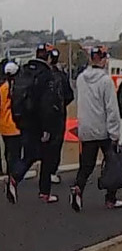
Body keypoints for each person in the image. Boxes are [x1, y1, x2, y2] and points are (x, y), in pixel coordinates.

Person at [69, 47, 122, 211]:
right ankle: (110, 199)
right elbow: (112, 109)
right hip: (103, 129)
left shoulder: (80, 79)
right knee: (111, 164)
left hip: (85, 128)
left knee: (86, 165)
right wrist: (115, 132)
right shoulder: (105, 81)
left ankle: (78, 188)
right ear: (102, 60)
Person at [6, 44, 62, 204]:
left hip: (23, 120)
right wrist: (47, 127)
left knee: (29, 155)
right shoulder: (46, 75)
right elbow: (47, 103)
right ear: (49, 57)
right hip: (40, 122)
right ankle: (44, 192)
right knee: (47, 156)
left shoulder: (24, 70)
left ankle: (15, 177)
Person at [48, 48, 74, 184]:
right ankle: (51, 171)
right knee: (56, 143)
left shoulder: (39, 74)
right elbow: (70, 95)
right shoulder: (61, 75)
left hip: (39, 116)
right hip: (58, 115)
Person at [1, 61, 21, 176]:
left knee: (7, 151)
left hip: (4, 125)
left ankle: (9, 173)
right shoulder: (17, 87)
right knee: (15, 153)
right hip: (15, 125)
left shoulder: (2, 88)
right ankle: (14, 175)